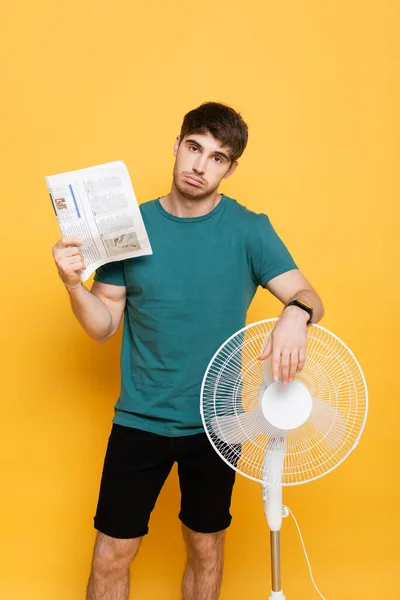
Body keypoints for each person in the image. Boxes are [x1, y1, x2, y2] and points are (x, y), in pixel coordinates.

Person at [52, 102, 324, 600]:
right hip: (140, 418)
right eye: (195, 148)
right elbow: (104, 323)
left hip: (218, 424)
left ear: (231, 167)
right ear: (177, 146)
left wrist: (294, 314)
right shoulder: (128, 227)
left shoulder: (249, 229)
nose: (200, 165)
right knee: (111, 553)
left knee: (205, 546)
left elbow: (308, 296)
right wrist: (75, 286)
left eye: (217, 158)